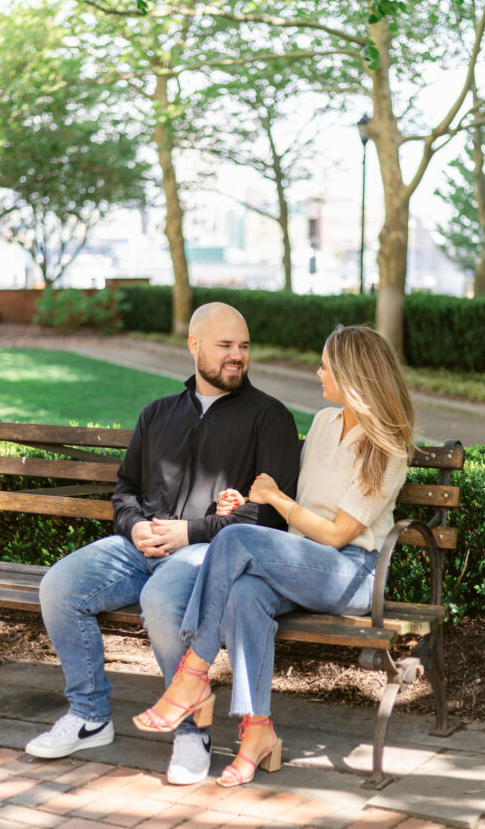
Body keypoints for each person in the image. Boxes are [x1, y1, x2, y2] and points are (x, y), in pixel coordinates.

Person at [25, 302, 301, 786]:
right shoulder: (157, 414)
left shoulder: (270, 418)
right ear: (194, 347)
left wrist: (190, 532)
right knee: (60, 586)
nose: (237, 356)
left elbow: (273, 516)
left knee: (161, 598)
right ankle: (90, 716)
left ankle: (193, 733)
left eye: (244, 346)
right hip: (140, 546)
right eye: (225, 346)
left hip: (209, 553)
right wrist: (133, 527)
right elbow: (125, 489)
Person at [132, 324, 414, 787]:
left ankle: (194, 673)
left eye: (325, 364)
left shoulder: (387, 448)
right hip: (302, 559)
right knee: (244, 593)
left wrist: (276, 501)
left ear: (351, 373)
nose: (317, 370)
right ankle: (257, 732)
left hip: (351, 574)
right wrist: (245, 502)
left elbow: (338, 534)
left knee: (234, 541)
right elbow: (295, 499)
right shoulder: (325, 423)